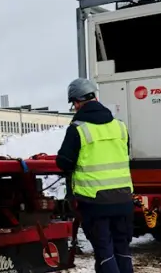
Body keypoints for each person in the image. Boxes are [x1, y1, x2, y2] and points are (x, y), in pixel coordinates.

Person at [54, 78, 134, 273]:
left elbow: (64, 162)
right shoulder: (120, 126)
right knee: (122, 249)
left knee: (105, 252)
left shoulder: (78, 129)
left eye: (74, 104)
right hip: (124, 199)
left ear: (77, 102)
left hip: (95, 202)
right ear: (95, 96)